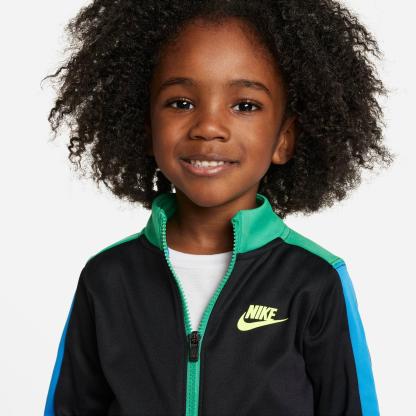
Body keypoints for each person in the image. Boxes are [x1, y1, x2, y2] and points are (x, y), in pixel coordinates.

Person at [43, 0, 394, 415]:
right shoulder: (107, 278)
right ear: (146, 128)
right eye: (181, 103)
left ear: (284, 138)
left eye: (245, 105)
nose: (208, 127)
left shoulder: (315, 280)